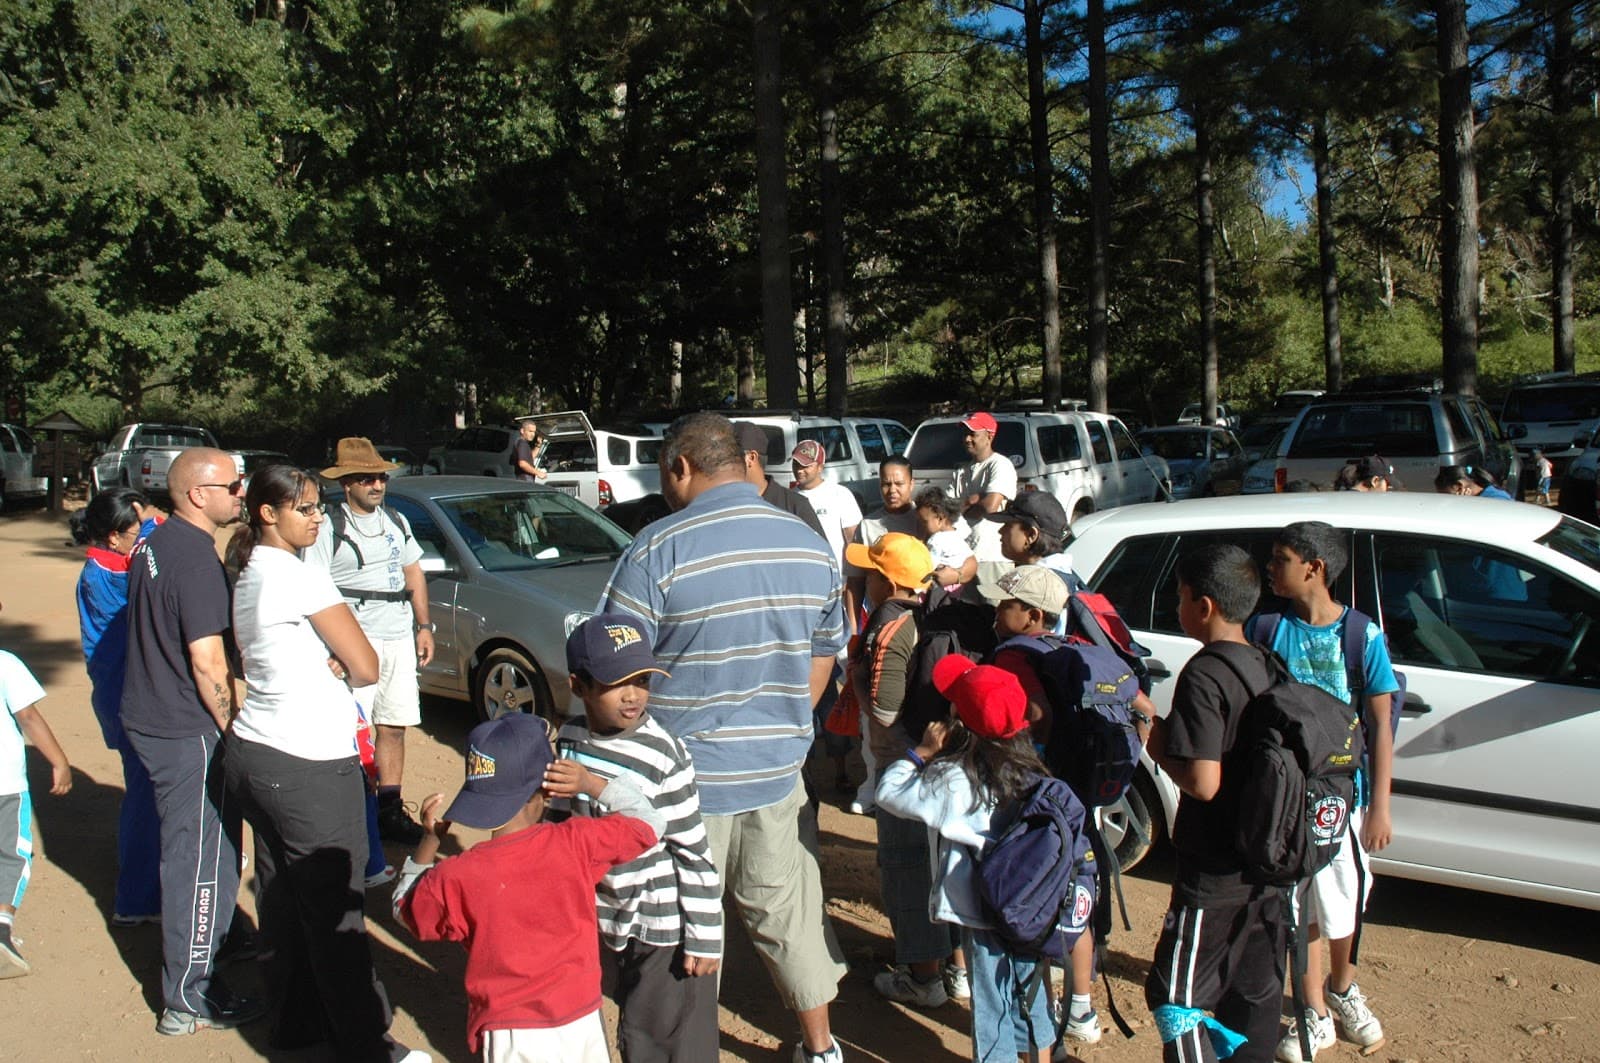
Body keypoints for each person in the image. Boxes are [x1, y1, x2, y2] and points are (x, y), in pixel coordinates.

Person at [600, 412, 851, 1063]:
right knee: (789, 912)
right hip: (775, 769)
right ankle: (821, 1049)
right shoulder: (807, 545)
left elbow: (615, 674)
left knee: (680, 927)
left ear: (680, 466)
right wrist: (790, 718)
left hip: (682, 784)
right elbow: (827, 651)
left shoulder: (657, 548)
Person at [224, 464, 424, 1061]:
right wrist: (340, 660)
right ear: (268, 514)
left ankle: (297, 1030)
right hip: (309, 762)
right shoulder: (298, 575)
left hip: (257, 752)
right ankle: (369, 1047)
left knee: (282, 903)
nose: (317, 518)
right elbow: (366, 666)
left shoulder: (251, 569)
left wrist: (329, 657)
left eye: (317, 508)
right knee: (336, 917)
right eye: (305, 509)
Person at [393, 713, 665, 1062]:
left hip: (510, 1033)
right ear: (547, 790)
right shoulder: (575, 843)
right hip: (580, 1016)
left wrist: (429, 842)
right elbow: (649, 823)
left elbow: (404, 910)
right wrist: (592, 784)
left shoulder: (458, 876)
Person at [876, 657, 1087, 1063]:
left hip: (985, 916)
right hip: (1035, 912)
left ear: (960, 720)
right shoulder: (1035, 771)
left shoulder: (954, 781)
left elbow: (889, 792)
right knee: (1032, 998)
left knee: (992, 1011)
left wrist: (921, 751)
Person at [981, 565, 1157, 1047]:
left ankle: (1039, 1010)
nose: (997, 613)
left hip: (1042, 800)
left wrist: (1030, 770)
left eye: (1005, 606)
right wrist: (1128, 757)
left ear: (1032, 614)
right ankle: (1081, 1005)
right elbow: (1145, 708)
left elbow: (1037, 715)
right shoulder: (1082, 651)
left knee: (1033, 893)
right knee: (1079, 890)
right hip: (1084, 799)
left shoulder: (1013, 655)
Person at [121, 447, 261, 1035]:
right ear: (198, 495)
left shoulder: (153, 542)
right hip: (186, 729)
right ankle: (187, 995)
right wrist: (236, 732)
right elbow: (208, 663)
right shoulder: (198, 563)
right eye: (233, 485)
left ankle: (212, 944)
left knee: (207, 848)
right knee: (199, 860)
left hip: (152, 714)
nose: (241, 493)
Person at [551, 614, 722, 1062]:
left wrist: (705, 934)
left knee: (664, 1036)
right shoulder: (570, 738)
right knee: (630, 1018)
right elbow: (558, 823)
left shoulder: (663, 753)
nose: (634, 695)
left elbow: (693, 850)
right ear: (579, 686)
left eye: (642, 679)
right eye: (616, 682)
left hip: (661, 922)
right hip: (605, 912)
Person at [1262, 522, 1398, 1062]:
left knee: (1344, 900)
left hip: (1343, 799)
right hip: (1288, 796)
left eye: (1280, 559)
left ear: (1313, 567)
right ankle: (1312, 1011)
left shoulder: (1362, 635)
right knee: (1304, 906)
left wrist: (1380, 806)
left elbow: (1381, 724)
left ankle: (1343, 988)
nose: (1271, 568)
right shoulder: (1268, 628)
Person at [1144, 544, 1285, 1063]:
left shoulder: (1204, 673)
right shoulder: (1267, 662)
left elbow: (1203, 783)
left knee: (1177, 999)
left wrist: (1150, 733)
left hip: (1215, 873)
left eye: (1180, 597)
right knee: (1252, 996)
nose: (1177, 608)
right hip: (1268, 862)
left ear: (1203, 606)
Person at [846, 534, 964, 1009]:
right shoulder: (931, 613)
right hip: (940, 758)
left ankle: (922, 978)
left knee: (906, 866)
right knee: (942, 863)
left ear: (887, 581)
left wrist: (855, 682)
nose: (865, 578)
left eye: (871, 571)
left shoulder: (891, 628)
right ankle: (955, 968)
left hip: (906, 763)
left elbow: (886, 710)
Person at [304, 438, 435, 846]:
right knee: (350, 730)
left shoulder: (396, 520)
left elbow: (414, 573)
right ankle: (352, 812)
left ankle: (388, 811)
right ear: (346, 484)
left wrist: (424, 626)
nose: (376, 485)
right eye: (365, 478)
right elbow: (313, 587)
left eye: (379, 476)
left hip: (398, 636)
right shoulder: (328, 526)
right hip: (357, 639)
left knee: (394, 726)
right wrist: (333, 647)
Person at [75, 487, 162, 926]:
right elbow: (139, 607)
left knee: (147, 792)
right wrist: (152, 529)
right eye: (135, 529)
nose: (144, 533)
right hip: (128, 697)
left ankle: (144, 890)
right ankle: (137, 899)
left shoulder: (110, 565)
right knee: (146, 796)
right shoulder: (104, 576)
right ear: (114, 537)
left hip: (126, 693)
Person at [0, 610, 72, 978]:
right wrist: (58, 760)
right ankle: (1, 928)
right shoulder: (6, 663)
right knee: (12, 854)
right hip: (5, 784)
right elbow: (27, 716)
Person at [733, 422, 827, 539]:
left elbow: (822, 555)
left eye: (728, 458)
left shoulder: (795, 507)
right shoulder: (723, 506)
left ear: (751, 458)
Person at [951, 411, 1017, 562]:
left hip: (991, 556)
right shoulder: (962, 471)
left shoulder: (1000, 464)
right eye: (966, 434)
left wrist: (964, 508)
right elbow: (947, 509)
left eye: (973, 434)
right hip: (964, 556)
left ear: (989, 436)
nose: (967, 439)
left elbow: (989, 507)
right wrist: (971, 500)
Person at [790, 439, 862, 576]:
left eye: (806, 466)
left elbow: (854, 542)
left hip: (836, 580)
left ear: (820, 467)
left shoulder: (840, 494)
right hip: (802, 580)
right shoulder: (787, 497)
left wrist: (852, 582)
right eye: (796, 464)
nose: (799, 470)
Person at [914, 487, 977, 590]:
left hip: (938, 589)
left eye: (924, 521)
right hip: (957, 588)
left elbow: (928, 566)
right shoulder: (957, 536)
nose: (921, 525)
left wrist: (916, 588)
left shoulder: (937, 540)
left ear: (940, 519)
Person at [1434, 464, 1511, 499]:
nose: (1446, 500)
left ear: (1459, 487)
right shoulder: (1486, 495)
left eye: (1447, 496)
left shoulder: (1495, 500)